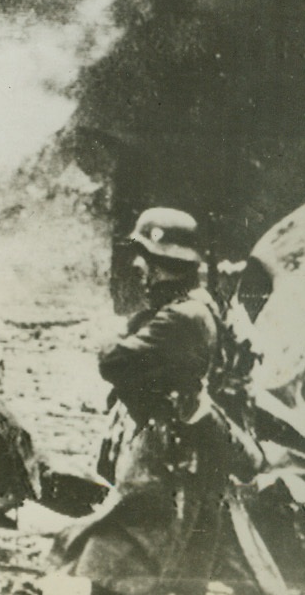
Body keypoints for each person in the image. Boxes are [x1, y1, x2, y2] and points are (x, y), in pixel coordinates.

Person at [55, 207, 285, 595]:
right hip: (184, 463)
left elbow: (114, 362)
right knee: (171, 573)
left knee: (119, 564)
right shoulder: (195, 305)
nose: (137, 267)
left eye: (143, 257)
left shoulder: (182, 317)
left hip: (166, 466)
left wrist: (110, 334)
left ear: (161, 265)